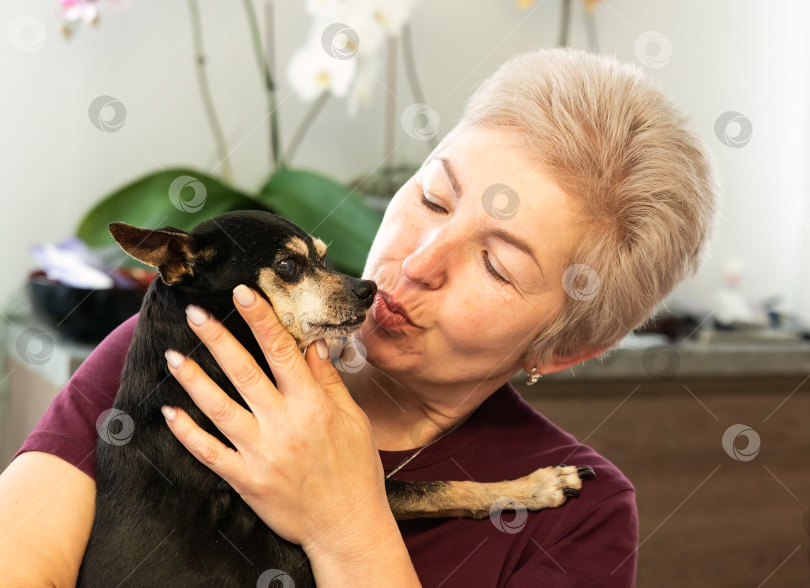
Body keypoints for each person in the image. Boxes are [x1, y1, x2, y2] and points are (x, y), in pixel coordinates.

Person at [0, 47, 718, 587]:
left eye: (497, 264)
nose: (419, 261)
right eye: (434, 198)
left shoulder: (575, 514)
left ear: (564, 351)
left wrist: (348, 527)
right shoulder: (184, 359)